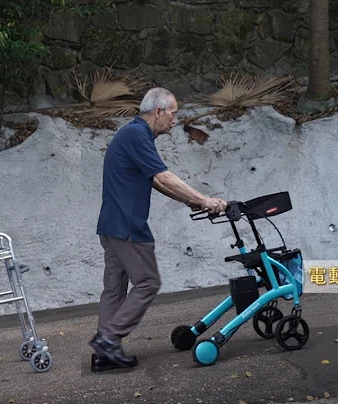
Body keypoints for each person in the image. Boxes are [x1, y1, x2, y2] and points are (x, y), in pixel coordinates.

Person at [89, 87, 227, 372]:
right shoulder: (137, 135)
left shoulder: (134, 135)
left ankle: (104, 355)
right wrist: (204, 199)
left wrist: (191, 200)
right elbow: (164, 175)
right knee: (148, 282)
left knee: (114, 290)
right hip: (127, 227)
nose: (175, 121)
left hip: (111, 226)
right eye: (173, 114)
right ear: (159, 111)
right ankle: (108, 340)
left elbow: (156, 182)